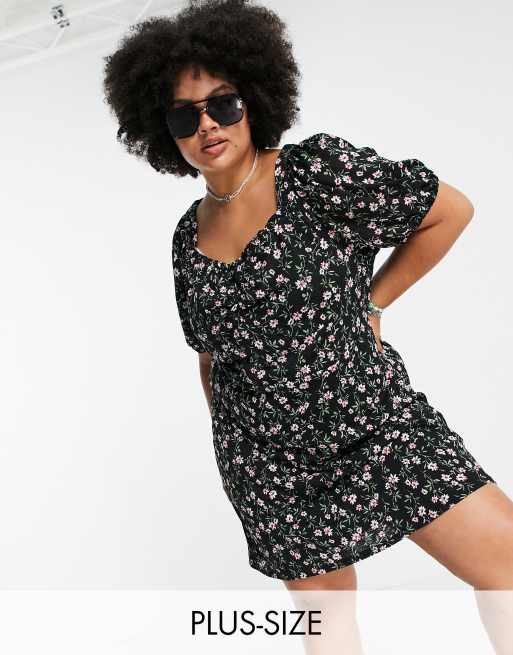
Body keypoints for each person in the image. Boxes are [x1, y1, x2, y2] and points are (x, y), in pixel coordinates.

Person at [102, 0, 513, 650]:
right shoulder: (187, 237)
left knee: (505, 570)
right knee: (329, 631)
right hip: (272, 470)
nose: (206, 124)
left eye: (223, 103)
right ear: (163, 131)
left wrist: (373, 304)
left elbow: (448, 212)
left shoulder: (316, 175)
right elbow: (209, 356)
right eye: (184, 114)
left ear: (254, 98)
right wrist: (241, 454)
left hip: (377, 427)